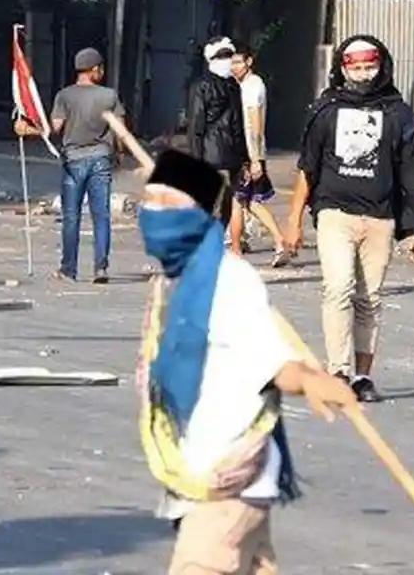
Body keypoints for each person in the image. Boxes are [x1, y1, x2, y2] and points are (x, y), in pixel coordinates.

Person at [136, 148, 357, 574]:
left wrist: (313, 380)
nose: (154, 216)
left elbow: (270, 362)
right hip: (204, 471)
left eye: (168, 205)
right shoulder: (174, 283)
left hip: (229, 475)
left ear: (201, 216)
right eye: (150, 205)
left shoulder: (227, 280)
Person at [285, 35, 414, 403]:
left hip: (380, 218)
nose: (364, 75)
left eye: (371, 67)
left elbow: (410, 174)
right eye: (357, 68)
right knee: (338, 289)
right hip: (335, 212)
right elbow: (308, 167)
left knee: (370, 298)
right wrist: (293, 220)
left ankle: (362, 377)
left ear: (382, 66)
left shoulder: (398, 113)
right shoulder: (326, 110)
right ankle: (337, 371)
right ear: (343, 68)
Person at [15, 47, 122, 284]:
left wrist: (27, 129)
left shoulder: (64, 96)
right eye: (101, 68)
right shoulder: (109, 96)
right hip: (101, 160)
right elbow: (121, 130)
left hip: (73, 162)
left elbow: (52, 129)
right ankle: (100, 268)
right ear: (94, 69)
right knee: (101, 215)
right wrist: (120, 155)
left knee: (71, 216)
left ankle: (69, 269)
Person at [230, 44, 292, 267]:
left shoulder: (253, 86)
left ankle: (274, 241)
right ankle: (276, 242)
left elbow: (256, 122)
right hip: (245, 152)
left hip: (250, 152)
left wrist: (255, 158)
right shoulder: (242, 85)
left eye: (238, 62)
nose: (234, 67)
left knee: (243, 201)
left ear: (249, 62)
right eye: (232, 62)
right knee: (247, 202)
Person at [187, 36, 248, 254]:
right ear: (210, 59)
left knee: (226, 207)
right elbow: (196, 126)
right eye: (221, 56)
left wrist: (245, 159)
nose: (226, 60)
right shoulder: (202, 86)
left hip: (231, 156)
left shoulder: (233, 85)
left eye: (229, 55)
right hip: (211, 156)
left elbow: (239, 124)